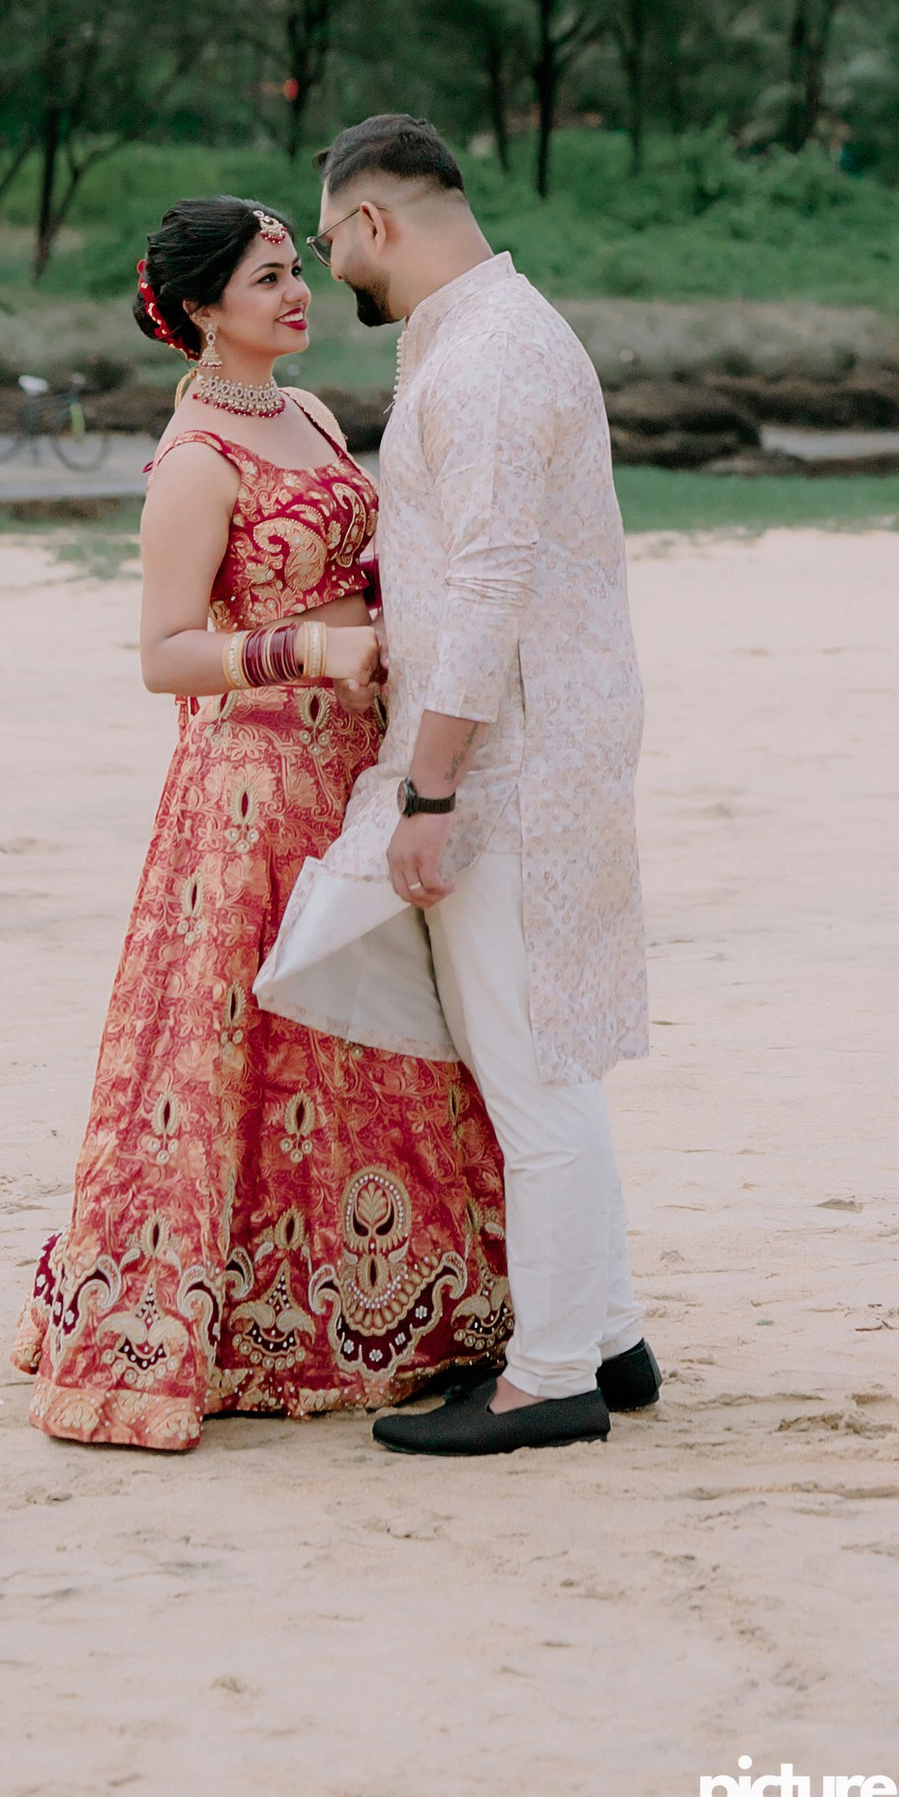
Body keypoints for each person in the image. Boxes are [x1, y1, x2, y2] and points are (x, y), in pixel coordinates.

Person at [11, 196, 509, 1450]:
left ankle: (397, 1305)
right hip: (250, 790)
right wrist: (312, 650)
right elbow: (164, 654)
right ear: (199, 310)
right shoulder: (195, 459)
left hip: (352, 768)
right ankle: (238, 1322)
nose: (298, 294)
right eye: (268, 279)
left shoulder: (314, 413)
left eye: (296, 269)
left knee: (382, 1033)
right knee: (255, 1048)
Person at [276, 111, 654, 1460]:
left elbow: (489, 589)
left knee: (532, 1070)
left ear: (375, 220)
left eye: (330, 241)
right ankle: (608, 1335)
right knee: (540, 1052)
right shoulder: (490, 333)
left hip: (508, 765)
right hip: (540, 745)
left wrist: (428, 795)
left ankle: (550, 1376)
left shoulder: (486, 356)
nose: (330, 270)